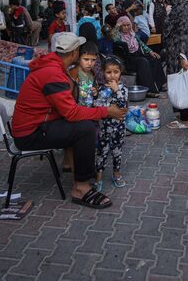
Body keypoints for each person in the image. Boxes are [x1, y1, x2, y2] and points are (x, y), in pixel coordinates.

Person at [11, 33, 127, 209]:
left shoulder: (54, 67)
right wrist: (106, 111)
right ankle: (81, 187)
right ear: (74, 53)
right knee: (85, 129)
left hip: (37, 124)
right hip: (29, 133)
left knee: (83, 123)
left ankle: (74, 168)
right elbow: (71, 113)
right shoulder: (52, 73)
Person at [162, 0, 188, 130]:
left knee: (181, 83)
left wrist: (183, 57)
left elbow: (184, 34)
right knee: (182, 81)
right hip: (182, 51)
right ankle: (185, 113)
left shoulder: (181, 9)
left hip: (180, 52)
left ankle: (185, 120)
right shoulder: (185, 7)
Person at [62, 41, 99, 173]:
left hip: (88, 109)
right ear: (79, 58)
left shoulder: (92, 74)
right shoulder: (74, 72)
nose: (90, 63)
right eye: (86, 59)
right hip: (76, 110)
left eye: (93, 60)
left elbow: (94, 89)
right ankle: (68, 161)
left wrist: (96, 92)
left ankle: (84, 162)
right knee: (73, 141)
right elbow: (68, 91)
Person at [94, 56, 129, 191]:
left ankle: (116, 174)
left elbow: (123, 105)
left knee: (117, 152)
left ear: (120, 72)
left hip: (119, 129)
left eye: (116, 72)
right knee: (102, 152)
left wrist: (116, 91)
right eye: (109, 72)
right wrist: (96, 95)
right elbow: (97, 105)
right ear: (103, 73)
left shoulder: (123, 90)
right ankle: (99, 177)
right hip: (104, 129)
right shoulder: (102, 88)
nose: (112, 75)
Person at [113, 16, 164, 98]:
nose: (127, 27)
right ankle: (149, 90)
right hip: (128, 60)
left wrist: (150, 52)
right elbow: (114, 37)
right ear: (120, 27)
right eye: (124, 25)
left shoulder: (133, 35)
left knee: (155, 58)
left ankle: (159, 85)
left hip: (138, 55)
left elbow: (142, 44)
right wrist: (117, 26)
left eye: (128, 25)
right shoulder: (118, 37)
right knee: (143, 62)